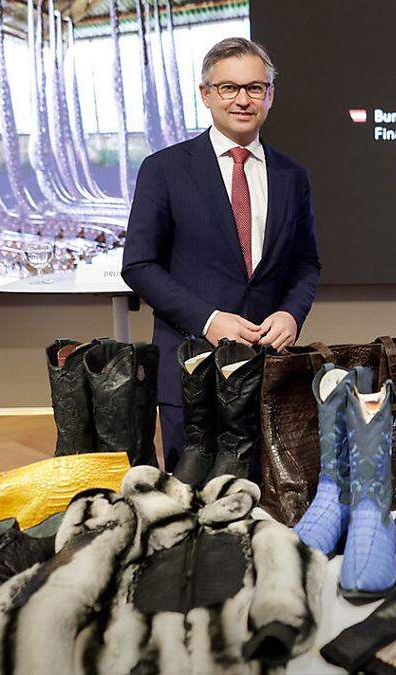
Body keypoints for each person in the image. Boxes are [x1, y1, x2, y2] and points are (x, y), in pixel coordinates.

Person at [121, 37, 321, 471]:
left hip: (270, 373)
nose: (243, 99)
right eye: (229, 88)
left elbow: (306, 263)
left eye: (255, 88)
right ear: (206, 94)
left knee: (267, 510)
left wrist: (291, 314)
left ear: (270, 95)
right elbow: (138, 264)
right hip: (192, 370)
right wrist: (209, 320)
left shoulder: (292, 176)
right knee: (193, 511)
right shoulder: (164, 169)